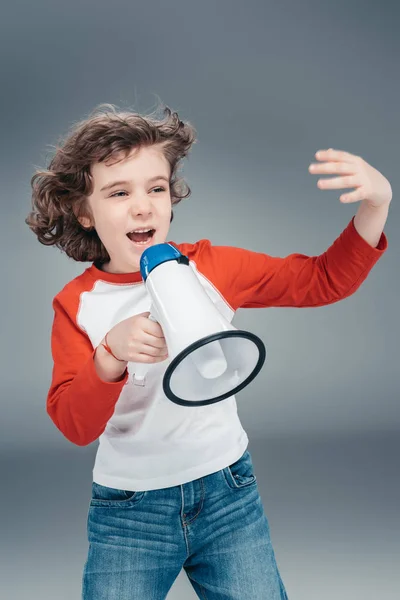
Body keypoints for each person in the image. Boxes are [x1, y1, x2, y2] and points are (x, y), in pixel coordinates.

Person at [25, 102, 390, 600]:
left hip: (228, 497)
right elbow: (73, 424)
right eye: (119, 193)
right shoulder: (78, 305)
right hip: (131, 514)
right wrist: (109, 355)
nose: (143, 206)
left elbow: (323, 280)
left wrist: (375, 206)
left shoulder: (212, 269)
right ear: (84, 212)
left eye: (156, 188)